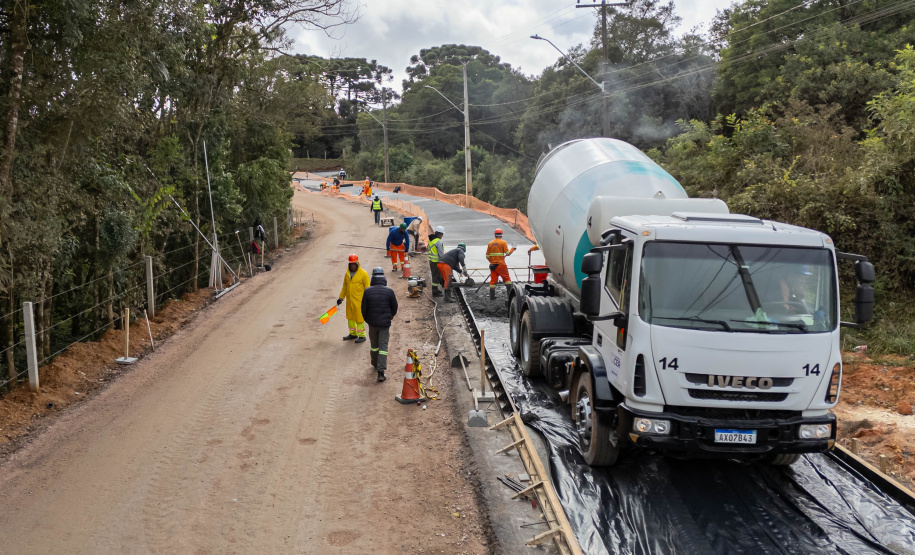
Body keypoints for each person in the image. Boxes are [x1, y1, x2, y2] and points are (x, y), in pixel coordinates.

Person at [361, 267, 398, 382]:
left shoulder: (367, 291)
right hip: (384, 324)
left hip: (372, 323)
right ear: (384, 278)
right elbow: (394, 307)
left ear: (372, 278)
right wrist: (391, 316)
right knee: (383, 347)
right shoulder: (389, 291)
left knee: (374, 346)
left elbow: (363, 309)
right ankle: (381, 372)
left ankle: (375, 363)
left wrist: (368, 320)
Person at [337, 254, 371, 343]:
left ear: (357, 263)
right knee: (350, 318)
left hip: (360, 301)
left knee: (359, 318)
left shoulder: (363, 274)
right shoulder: (347, 274)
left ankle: (362, 336)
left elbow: (368, 288)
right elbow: (344, 287)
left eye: (353, 264)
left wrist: (368, 300)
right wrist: (341, 298)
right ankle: (352, 334)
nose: (352, 266)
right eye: (351, 264)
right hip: (350, 301)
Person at [486, 228, 516, 300]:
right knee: (507, 279)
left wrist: (492, 262)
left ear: (495, 235)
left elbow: (487, 256)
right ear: (501, 235)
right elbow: (508, 253)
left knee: (493, 281)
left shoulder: (490, 243)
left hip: (492, 266)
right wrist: (513, 248)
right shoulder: (503, 242)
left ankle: (492, 297)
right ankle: (509, 296)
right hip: (501, 265)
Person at [427, 226, 445, 297]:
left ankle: (436, 290)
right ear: (440, 234)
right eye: (442, 234)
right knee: (436, 277)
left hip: (432, 260)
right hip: (436, 262)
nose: (442, 236)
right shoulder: (438, 242)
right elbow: (440, 253)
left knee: (436, 276)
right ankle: (435, 292)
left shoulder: (431, 240)